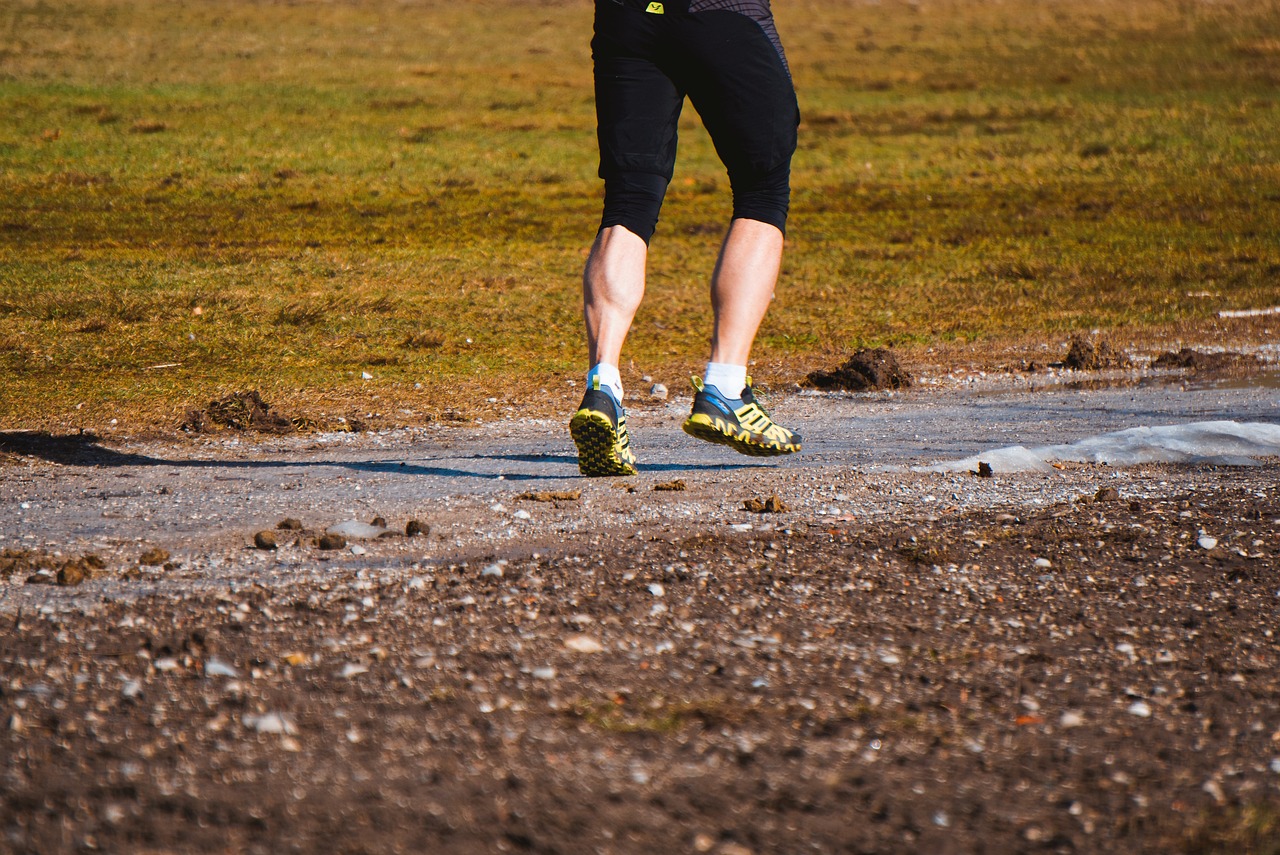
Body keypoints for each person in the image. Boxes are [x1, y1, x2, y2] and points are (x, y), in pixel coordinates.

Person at [570, 0, 803, 477]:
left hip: (626, 18)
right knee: (762, 189)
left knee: (628, 202)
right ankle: (725, 386)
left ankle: (604, 386)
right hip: (720, 13)